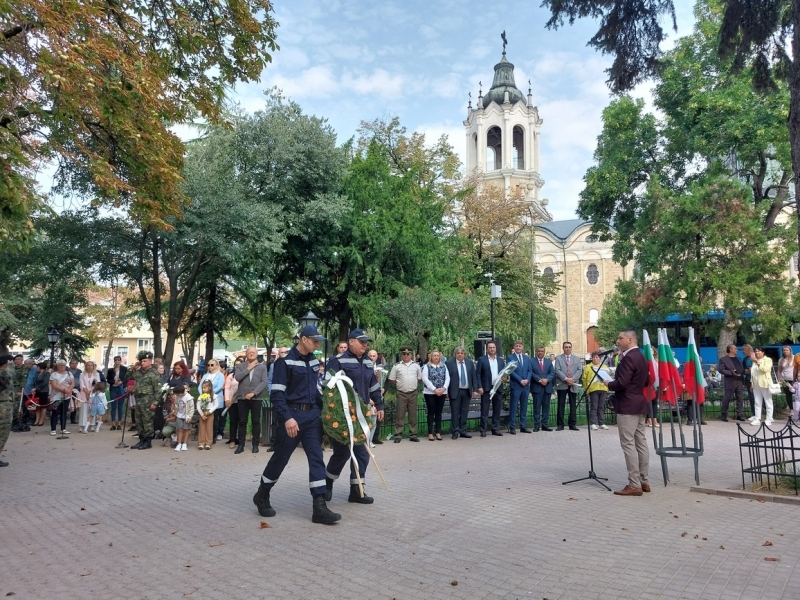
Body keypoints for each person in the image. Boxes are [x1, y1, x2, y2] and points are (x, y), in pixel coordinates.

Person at [252, 325, 341, 524]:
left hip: (312, 417)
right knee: (280, 459)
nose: (318, 344)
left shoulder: (313, 361)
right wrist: (287, 418)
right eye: (314, 340)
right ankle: (262, 494)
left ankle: (319, 506)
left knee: (316, 458)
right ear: (303, 339)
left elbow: (314, 392)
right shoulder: (285, 362)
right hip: (292, 416)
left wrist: (327, 408)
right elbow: (276, 394)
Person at [324, 329, 384, 504]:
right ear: (350, 342)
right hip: (342, 416)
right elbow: (328, 387)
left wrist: (379, 405)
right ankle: (327, 483)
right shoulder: (337, 361)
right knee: (341, 453)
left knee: (362, 453)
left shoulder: (367, 361)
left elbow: (373, 385)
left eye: (366, 342)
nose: (365, 344)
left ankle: (357, 491)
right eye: (361, 341)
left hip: (362, 414)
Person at [607, 329, 651, 496]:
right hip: (639, 403)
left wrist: (609, 384)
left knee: (628, 443)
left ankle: (634, 484)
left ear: (630, 339)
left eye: (621, 338)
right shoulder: (641, 356)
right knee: (641, 442)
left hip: (627, 405)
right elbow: (646, 381)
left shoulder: (628, 358)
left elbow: (622, 382)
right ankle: (644, 480)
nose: (618, 341)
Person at [234, 346, 268, 454]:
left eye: (253, 352)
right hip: (242, 398)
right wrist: (249, 368)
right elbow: (237, 378)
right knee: (242, 422)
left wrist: (253, 393)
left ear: (257, 354)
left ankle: (255, 445)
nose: (251, 353)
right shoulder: (240, 366)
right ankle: (241, 445)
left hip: (256, 398)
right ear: (246, 354)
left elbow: (264, 382)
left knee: (256, 422)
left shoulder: (262, 367)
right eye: (249, 352)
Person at [386, 345, 422, 443]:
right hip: (401, 393)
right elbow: (392, 379)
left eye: (408, 354)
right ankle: (398, 434)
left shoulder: (416, 366)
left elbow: (419, 379)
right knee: (400, 414)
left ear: (411, 355)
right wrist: (401, 384)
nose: (406, 356)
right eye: (404, 354)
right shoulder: (397, 366)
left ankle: (413, 434)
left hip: (413, 393)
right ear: (401, 355)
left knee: (413, 414)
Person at [130, 351, 161, 450]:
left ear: (150, 361)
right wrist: (133, 369)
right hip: (138, 400)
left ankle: (148, 441)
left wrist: (155, 403)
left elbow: (159, 390)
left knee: (147, 421)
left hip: (148, 400)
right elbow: (127, 377)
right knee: (139, 421)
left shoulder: (154, 373)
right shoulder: (138, 373)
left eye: (144, 361)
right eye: (141, 361)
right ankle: (141, 440)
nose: (142, 363)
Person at [445, 347, 478, 439]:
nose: (460, 354)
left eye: (462, 353)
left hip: (467, 391)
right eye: (458, 353)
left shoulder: (469, 363)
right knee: (455, 412)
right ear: (455, 354)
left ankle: (463, 431)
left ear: (464, 355)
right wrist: (446, 391)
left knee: (464, 412)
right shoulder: (449, 363)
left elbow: (473, 377)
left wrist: (475, 389)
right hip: (455, 391)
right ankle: (455, 431)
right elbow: (446, 378)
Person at [476, 341, 506, 437]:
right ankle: (483, 430)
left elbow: (504, 373)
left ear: (496, 348)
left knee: (497, 410)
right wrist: (479, 386)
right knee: (485, 410)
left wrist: (505, 378)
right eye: (490, 347)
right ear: (487, 349)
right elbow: (478, 374)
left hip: (498, 388)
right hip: (486, 389)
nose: (492, 349)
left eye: (493, 347)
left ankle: (495, 429)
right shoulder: (482, 360)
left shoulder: (501, 361)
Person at [421, 349, 449, 441]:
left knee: (438, 412)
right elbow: (425, 379)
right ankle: (430, 433)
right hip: (430, 393)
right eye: (434, 355)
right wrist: (434, 389)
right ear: (431, 357)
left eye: (437, 355)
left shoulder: (444, 366)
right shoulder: (426, 366)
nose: (436, 357)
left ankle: (438, 432)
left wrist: (444, 388)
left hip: (442, 392)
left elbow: (447, 378)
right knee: (431, 412)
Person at [554, 341, 582, 431]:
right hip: (562, 383)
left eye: (569, 347)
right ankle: (560, 425)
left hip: (573, 384)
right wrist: (566, 379)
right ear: (563, 348)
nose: (568, 348)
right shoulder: (558, 358)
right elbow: (557, 370)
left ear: (571, 348)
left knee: (573, 405)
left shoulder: (577, 359)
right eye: (566, 347)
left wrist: (572, 379)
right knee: (561, 404)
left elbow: (579, 370)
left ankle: (572, 424)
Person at [507, 340, 533, 434]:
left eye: (520, 346)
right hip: (516, 385)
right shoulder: (510, 357)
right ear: (514, 347)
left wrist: (527, 380)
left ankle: (523, 426)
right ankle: (512, 427)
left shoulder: (526, 358)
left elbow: (530, 370)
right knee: (514, 406)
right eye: (516, 346)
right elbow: (511, 371)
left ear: (522, 347)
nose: (518, 347)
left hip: (525, 386)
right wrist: (520, 380)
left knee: (524, 406)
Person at [581, 351, 610, 431]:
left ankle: (601, 423)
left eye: (597, 357)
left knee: (601, 407)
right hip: (593, 389)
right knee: (594, 406)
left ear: (600, 359)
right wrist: (586, 388)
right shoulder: (588, 367)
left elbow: (608, 377)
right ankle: (593, 423)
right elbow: (584, 379)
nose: (595, 358)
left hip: (603, 388)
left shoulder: (604, 367)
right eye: (594, 357)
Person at [718, 345, 746, 422]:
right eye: (735, 348)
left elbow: (741, 368)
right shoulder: (723, 359)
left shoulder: (738, 359)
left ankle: (739, 414)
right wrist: (731, 373)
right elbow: (721, 370)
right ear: (730, 349)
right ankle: (724, 414)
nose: (737, 350)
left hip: (739, 380)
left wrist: (744, 371)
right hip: (730, 381)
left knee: (740, 398)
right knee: (727, 398)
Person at [530, 346, 555, 432]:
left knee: (546, 407)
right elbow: (531, 373)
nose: (540, 352)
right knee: (536, 407)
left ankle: (545, 425)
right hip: (537, 387)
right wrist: (540, 380)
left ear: (544, 352)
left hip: (547, 387)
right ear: (536, 352)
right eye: (539, 351)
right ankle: (536, 425)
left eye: (542, 351)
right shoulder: (531, 361)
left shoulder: (549, 362)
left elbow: (552, 373)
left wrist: (547, 380)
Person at [199, 360, 224, 443]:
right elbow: (200, 386)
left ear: (216, 366)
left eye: (212, 365)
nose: (210, 366)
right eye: (208, 364)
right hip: (204, 400)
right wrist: (202, 395)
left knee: (214, 420)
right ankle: (204, 438)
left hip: (215, 400)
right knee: (205, 420)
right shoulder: (205, 375)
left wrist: (210, 394)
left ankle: (212, 438)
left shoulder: (220, 375)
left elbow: (219, 386)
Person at [748, 346, 774, 426]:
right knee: (757, 402)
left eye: (759, 351)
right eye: (755, 351)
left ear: (763, 352)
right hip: (756, 384)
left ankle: (769, 419)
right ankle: (757, 418)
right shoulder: (754, 361)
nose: (757, 352)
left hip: (765, 383)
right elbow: (753, 373)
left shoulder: (768, 360)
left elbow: (765, 370)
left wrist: (757, 362)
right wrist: (752, 384)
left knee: (768, 402)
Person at [79, 361, 105, 433]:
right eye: (88, 365)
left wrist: (90, 391)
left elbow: (97, 384)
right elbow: (81, 384)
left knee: (92, 409)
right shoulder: (82, 374)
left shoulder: (96, 374)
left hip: (93, 393)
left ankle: (92, 425)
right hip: (84, 393)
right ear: (86, 366)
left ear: (93, 366)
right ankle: (82, 426)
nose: (90, 367)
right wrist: (86, 391)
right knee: (84, 409)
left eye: (91, 365)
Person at [49, 359, 74, 435]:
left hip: (66, 396)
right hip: (56, 397)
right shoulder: (54, 374)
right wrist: (63, 390)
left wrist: (69, 390)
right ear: (57, 366)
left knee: (64, 413)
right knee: (55, 412)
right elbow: (54, 385)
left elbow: (72, 383)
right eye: (60, 365)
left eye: (63, 365)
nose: (61, 367)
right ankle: (53, 429)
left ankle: (63, 428)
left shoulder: (69, 373)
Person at [224, 358, 243, 448]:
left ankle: (240, 439)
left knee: (242, 421)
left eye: (240, 364)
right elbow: (227, 388)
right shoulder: (231, 376)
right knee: (233, 421)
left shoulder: (245, 376)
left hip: (242, 401)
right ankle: (232, 439)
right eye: (236, 365)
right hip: (232, 401)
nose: (237, 366)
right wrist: (227, 399)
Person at [0, 354, 14, 467]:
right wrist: (10, 366)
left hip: (4, 405)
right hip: (3, 407)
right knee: (2, 432)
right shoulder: (3, 373)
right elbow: (9, 376)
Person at [106, 356, 128, 431]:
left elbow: (127, 378)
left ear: (120, 361)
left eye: (118, 360)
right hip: (113, 388)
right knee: (113, 406)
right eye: (116, 360)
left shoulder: (124, 369)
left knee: (120, 406)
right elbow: (108, 380)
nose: (117, 361)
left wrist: (122, 382)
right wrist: (113, 382)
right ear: (114, 361)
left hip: (121, 388)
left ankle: (119, 423)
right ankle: (113, 423)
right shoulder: (110, 370)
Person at [367, 350, 384, 444]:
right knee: (368, 418)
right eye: (370, 356)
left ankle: (373, 438)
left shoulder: (379, 368)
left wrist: (383, 388)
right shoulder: (365, 367)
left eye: (374, 356)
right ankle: (367, 439)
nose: (372, 358)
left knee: (376, 418)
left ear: (377, 357)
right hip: (367, 396)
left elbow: (386, 381)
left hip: (377, 395)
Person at [196, 380, 215, 450]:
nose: (203, 389)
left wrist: (209, 412)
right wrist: (202, 414)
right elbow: (198, 406)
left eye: (205, 388)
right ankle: (201, 443)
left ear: (209, 388)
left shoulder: (213, 396)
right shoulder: (201, 396)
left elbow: (216, 405)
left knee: (209, 428)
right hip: (202, 413)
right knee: (202, 428)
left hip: (209, 413)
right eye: (202, 388)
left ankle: (208, 443)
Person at [777, 345, 794, 413]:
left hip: (794, 379)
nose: (785, 351)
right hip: (785, 380)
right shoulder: (781, 360)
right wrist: (779, 379)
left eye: (787, 350)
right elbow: (779, 370)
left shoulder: (794, 357)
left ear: (790, 351)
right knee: (788, 395)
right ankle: (791, 409)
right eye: (784, 350)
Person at [33, 361, 50, 427]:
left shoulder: (46, 373)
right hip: (37, 391)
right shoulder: (37, 373)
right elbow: (35, 381)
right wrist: (34, 388)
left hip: (43, 391)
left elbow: (45, 382)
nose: (37, 368)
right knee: (37, 406)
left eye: (37, 367)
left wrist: (37, 388)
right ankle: (37, 419)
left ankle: (41, 420)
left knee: (43, 406)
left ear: (41, 367)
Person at [741, 344, 756, 417]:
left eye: (743, 350)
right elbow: (743, 369)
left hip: (757, 380)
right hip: (749, 379)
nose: (742, 352)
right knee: (751, 397)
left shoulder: (756, 357)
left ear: (748, 350)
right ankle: (754, 414)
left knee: (760, 397)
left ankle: (765, 413)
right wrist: (745, 371)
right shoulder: (745, 359)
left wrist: (752, 370)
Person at [68, 359, 82, 425]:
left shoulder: (79, 371)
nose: (74, 365)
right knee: (66, 403)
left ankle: (73, 419)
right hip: (67, 389)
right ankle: (62, 418)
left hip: (76, 390)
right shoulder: (67, 371)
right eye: (72, 363)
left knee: (75, 404)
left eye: (76, 363)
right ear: (70, 364)